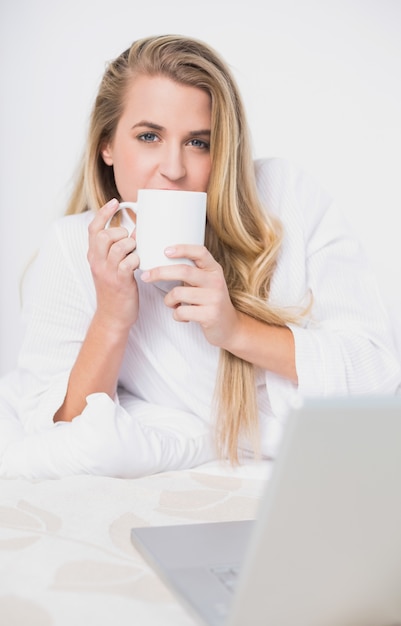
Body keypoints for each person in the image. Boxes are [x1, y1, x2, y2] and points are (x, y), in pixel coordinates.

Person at [0, 34, 400, 479]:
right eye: (149, 136)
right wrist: (112, 317)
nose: (173, 167)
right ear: (107, 145)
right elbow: (65, 437)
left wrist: (235, 329)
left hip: (338, 468)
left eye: (198, 143)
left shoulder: (285, 198)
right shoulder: (74, 248)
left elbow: (379, 374)